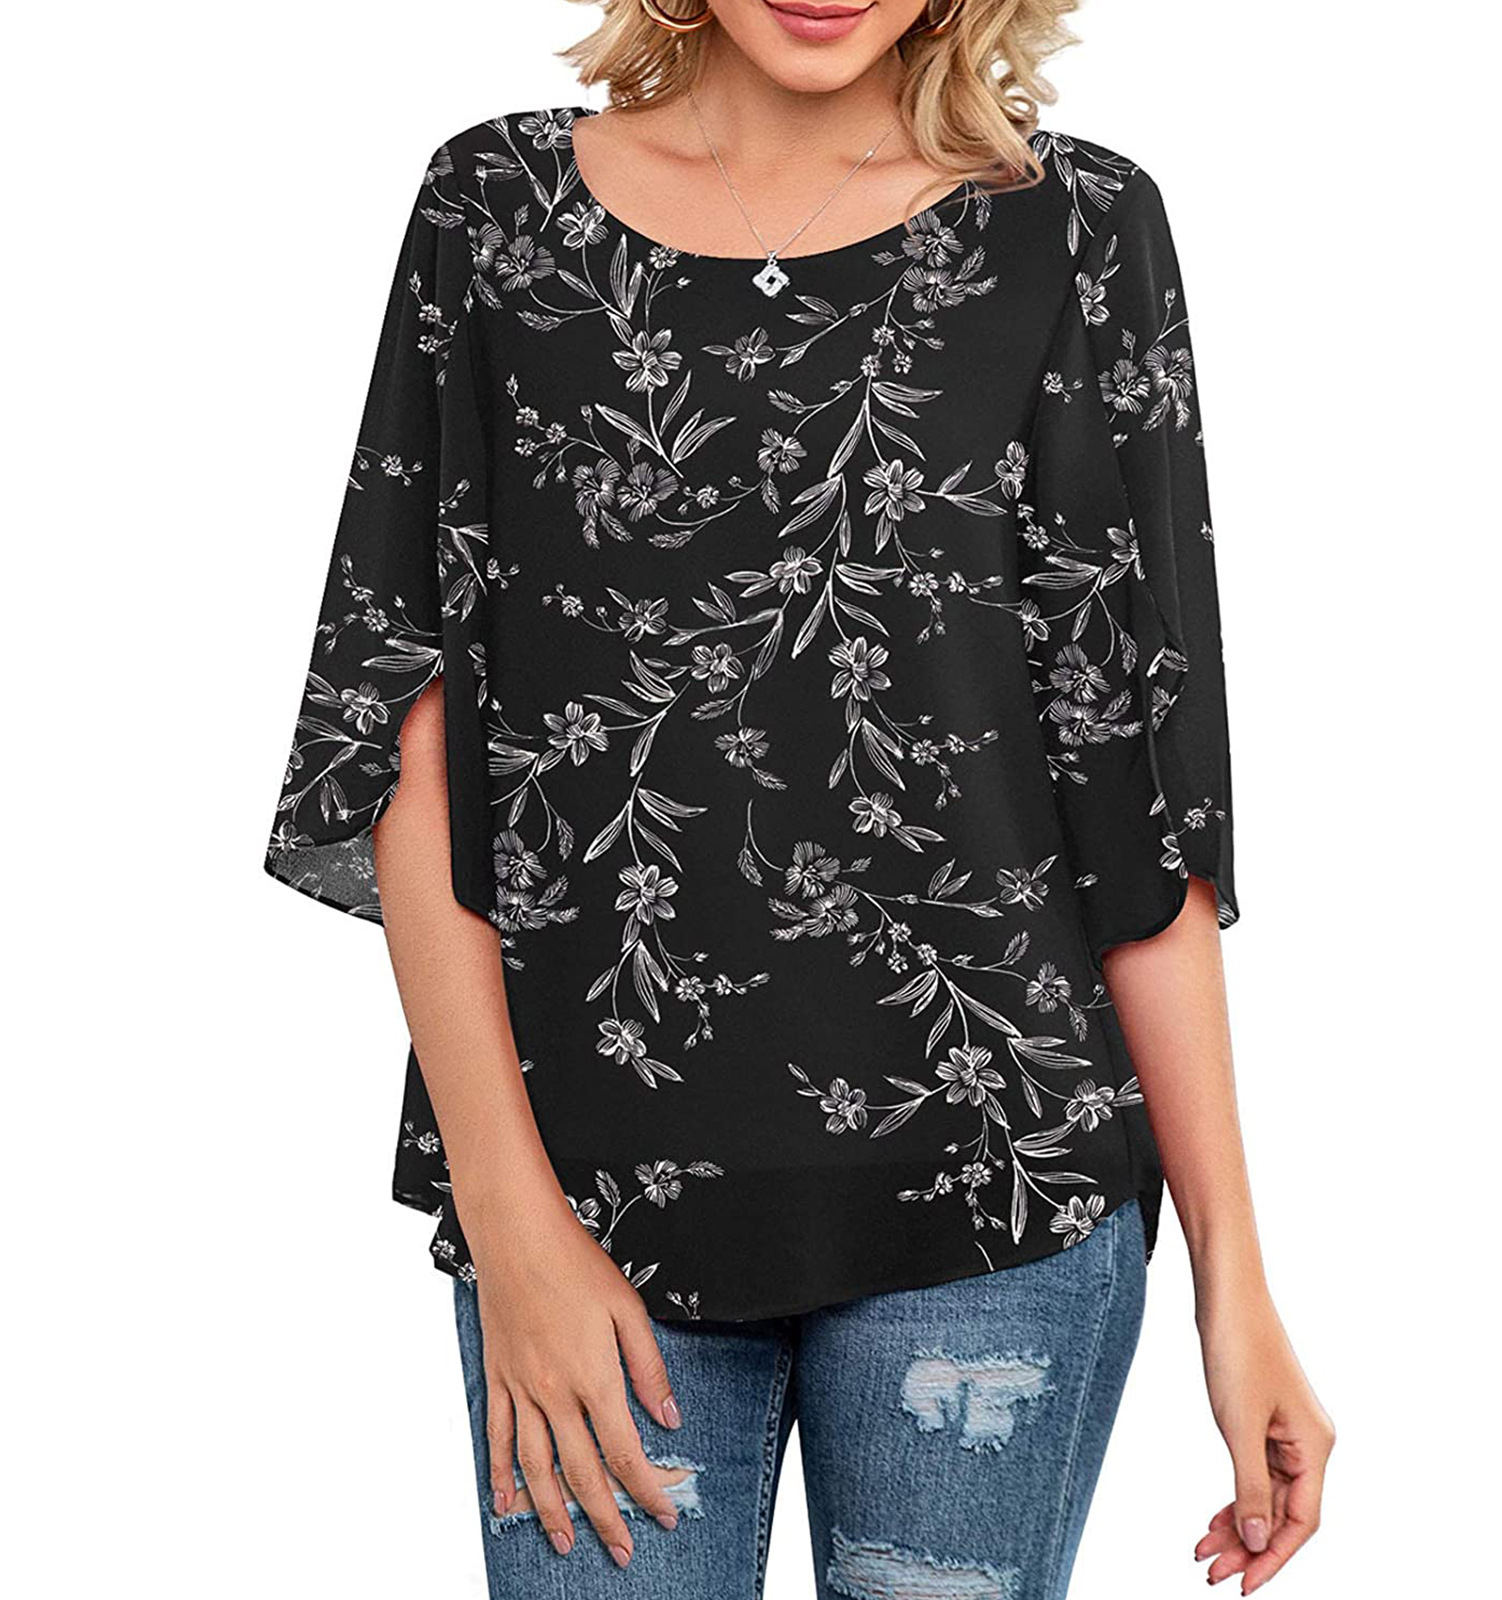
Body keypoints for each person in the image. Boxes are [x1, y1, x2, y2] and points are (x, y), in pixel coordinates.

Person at [263, 1, 1333, 1594]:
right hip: (587, 1195)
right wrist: (510, 1217)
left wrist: (1234, 1286)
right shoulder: (494, 209)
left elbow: (1136, 781)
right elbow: (408, 721)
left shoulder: (1079, 227)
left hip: (1003, 1197)